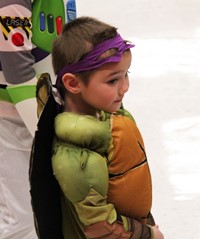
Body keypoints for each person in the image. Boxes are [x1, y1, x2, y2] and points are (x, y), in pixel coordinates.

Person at [34, 16, 165, 238]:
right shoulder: (75, 154)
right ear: (73, 83)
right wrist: (148, 234)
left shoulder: (102, 115)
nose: (125, 87)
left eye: (126, 74)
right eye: (113, 80)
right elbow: (99, 227)